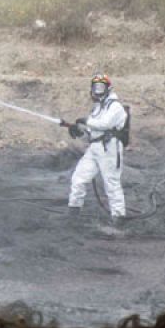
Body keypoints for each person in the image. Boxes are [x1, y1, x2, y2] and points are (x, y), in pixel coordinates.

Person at [59, 74, 128, 224]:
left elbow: (104, 124)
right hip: (95, 148)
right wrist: (78, 130)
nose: (98, 91)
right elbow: (92, 133)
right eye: (95, 87)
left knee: (111, 183)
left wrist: (86, 121)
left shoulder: (115, 107)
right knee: (78, 179)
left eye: (101, 87)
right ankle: (73, 214)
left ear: (108, 88)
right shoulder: (97, 108)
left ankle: (119, 220)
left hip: (109, 148)